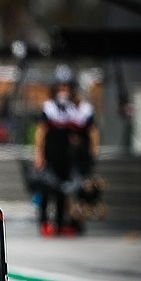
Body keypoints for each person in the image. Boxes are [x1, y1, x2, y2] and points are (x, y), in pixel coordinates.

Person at [33, 65, 99, 237]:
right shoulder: (48, 107)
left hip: (65, 157)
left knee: (63, 191)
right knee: (46, 189)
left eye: (66, 87)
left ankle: (60, 223)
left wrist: (88, 148)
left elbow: (85, 129)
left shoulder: (72, 109)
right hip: (50, 155)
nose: (63, 91)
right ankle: (44, 221)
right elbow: (41, 131)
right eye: (60, 87)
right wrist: (39, 154)